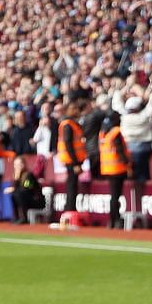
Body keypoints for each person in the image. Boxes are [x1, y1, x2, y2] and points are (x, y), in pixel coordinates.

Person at [54, 94, 91, 224]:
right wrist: (75, 163)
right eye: (74, 108)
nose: (77, 111)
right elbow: (69, 144)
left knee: (73, 185)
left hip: (74, 160)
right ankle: (69, 209)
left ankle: (70, 208)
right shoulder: (67, 124)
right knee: (71, 185)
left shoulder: (73, 124)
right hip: (71, 160)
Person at [97, 113, 130, 228]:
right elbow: (119, 149)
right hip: (117, 168)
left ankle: (112, 220)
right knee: (116, 196)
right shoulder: (115, 132)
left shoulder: (103, 133)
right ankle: (115, 219)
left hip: (107, 168)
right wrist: (128, 163)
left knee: (113, 195)